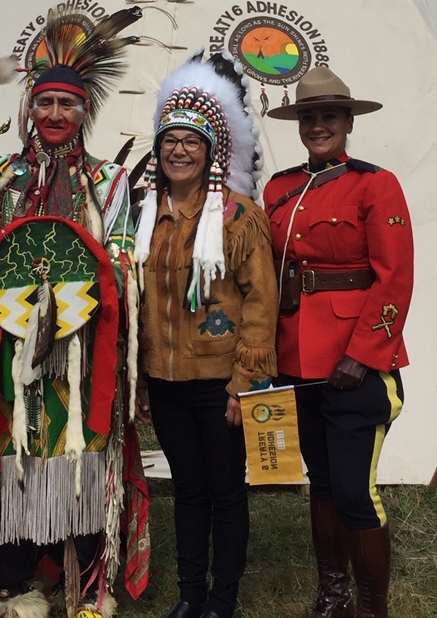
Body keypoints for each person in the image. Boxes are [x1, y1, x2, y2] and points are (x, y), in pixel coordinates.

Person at [0, 8, 148, 618]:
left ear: (85, 111)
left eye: (69, 104)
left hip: (87, 347)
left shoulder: (109, 182)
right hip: (15, 349)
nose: (57, 115)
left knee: (85, 453)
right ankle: (19, 582)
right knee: (20, 452)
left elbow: (118, 258)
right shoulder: (1, 179)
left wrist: (80, 300)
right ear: (29, 110)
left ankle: (91, 581)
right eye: (46, 104)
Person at [264, 67, 413, 618]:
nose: (318, 125)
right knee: (322, 482)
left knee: (354, 491)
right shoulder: (278, 188)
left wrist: (365, 354)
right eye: (309, 117)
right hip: (296, 352)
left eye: (329, 116)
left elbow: (395, 276)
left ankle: (375, 607)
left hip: (357, 358)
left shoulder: (376, 183)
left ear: (348, 122)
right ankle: (334, 595)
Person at [134, 51, 279, 618]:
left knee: (225, 491)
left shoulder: (238, 217)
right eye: (170, 138)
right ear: (158, 146)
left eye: (192, 140)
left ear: (211, 149)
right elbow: (137, 303)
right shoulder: (142, 213)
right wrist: (140, 376)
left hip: (221, 379)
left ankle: (224, 597)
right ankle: (191, 593)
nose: (179, 149)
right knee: (188, 491)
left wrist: (246, 381)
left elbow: (262, 304)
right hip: (166, 379)